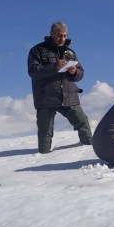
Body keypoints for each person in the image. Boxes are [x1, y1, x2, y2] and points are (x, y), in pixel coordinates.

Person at [28, 21, 93, 153]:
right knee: (45, 132)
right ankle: (42, 160)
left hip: (69, 96)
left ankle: (89, 152)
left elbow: (81, 74)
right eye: (59, 35)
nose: (62, 38)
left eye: (64, 35)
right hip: (46, 97)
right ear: (51, 33)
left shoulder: (70, 52)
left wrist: (74, 71)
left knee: (83, 122)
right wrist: (55, 67)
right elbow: (34, 72)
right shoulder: (37, 50)